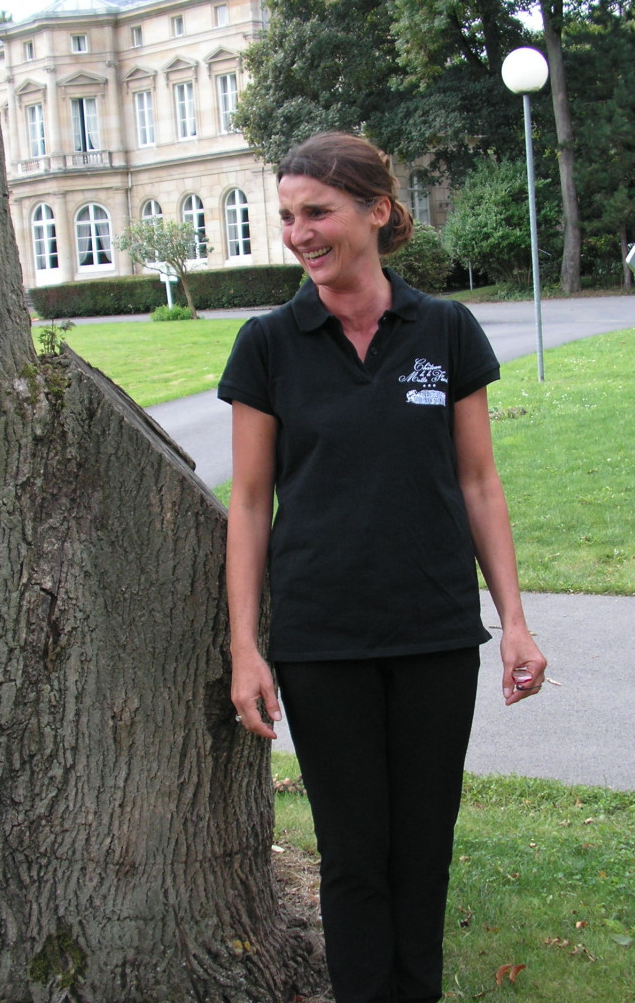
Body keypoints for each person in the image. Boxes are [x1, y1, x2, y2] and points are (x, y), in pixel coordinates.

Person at [219, 132, 547, 1003]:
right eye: (288, 215)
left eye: (317, 212)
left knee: (425, 849)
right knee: (356, 857)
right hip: (321, 641)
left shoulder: (444, 329)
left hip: (434, 630)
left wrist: (513, 618)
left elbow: (479, 481)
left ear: (377, 211)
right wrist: (245, 645)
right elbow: (250, 503)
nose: (299, 232)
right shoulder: (267, 345)